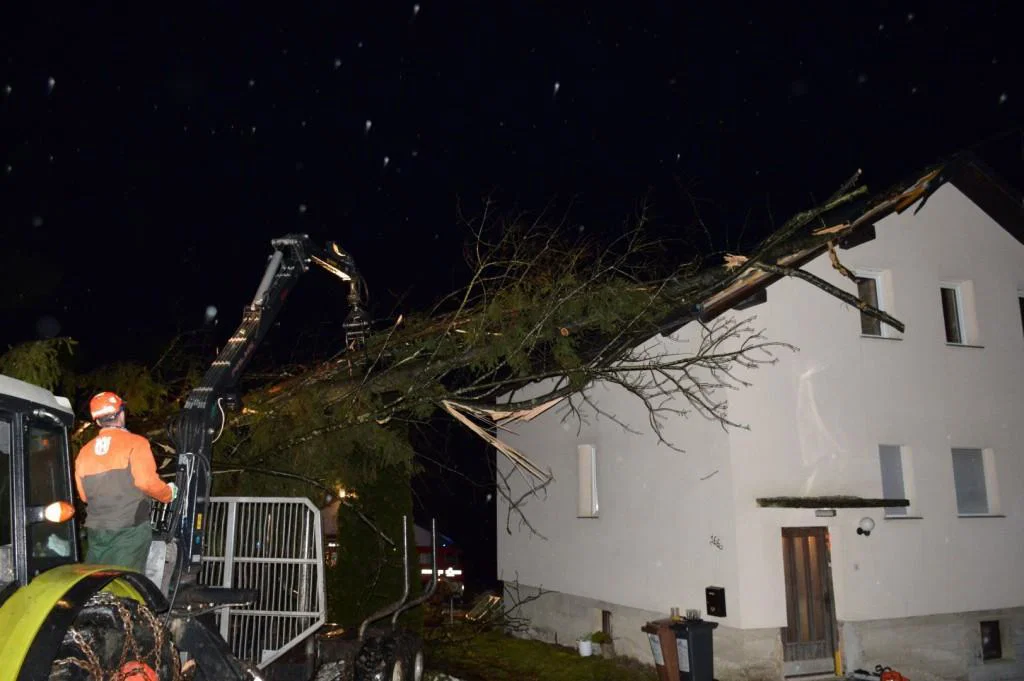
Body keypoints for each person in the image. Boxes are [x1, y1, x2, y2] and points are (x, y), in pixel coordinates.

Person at [74, 391, 178, 572]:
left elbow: (83, 495)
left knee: (97, 578)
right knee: (125, 580)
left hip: (97, 529)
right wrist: (168, 494)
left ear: (97, 421)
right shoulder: (136, 443)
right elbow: (146, 482)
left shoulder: (84, 452)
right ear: (121, 414)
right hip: (130, 528)